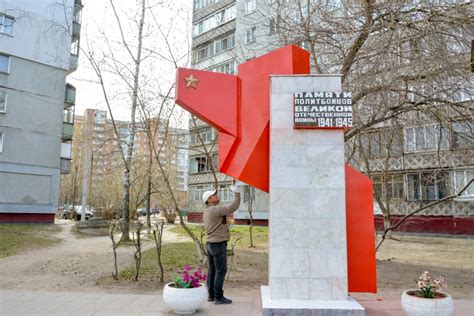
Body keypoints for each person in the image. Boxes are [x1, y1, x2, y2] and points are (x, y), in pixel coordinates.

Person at [202, 183, 241, 305]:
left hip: (210, 243)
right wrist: (236, 192)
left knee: (212, 270)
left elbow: (224, 216)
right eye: (213, 195)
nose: (216, 195)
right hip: (218, 244)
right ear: (209, 200)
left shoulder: (207, 211)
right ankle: (218, 297)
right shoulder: (215, 209)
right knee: (221, 270)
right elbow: (233, 206)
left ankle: (211, 296)